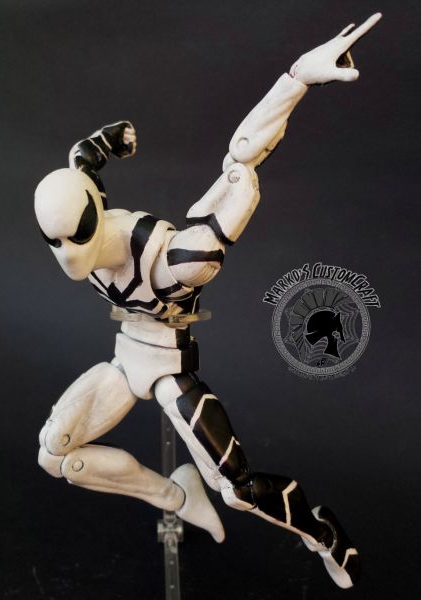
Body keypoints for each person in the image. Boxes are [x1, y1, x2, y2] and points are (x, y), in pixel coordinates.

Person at [36, 13, 381, 589]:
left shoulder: (174, 259)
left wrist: (297, 78)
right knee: (56, 454)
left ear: (94, 214)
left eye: (77, 237)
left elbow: (240, 164)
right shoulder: (78, 195)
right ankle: (176, 497)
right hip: (125, 360)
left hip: (171, 370)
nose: (68, 254)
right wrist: (106, 141)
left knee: (238, 491)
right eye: (55, 242)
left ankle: (322, 533)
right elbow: (81, 163)